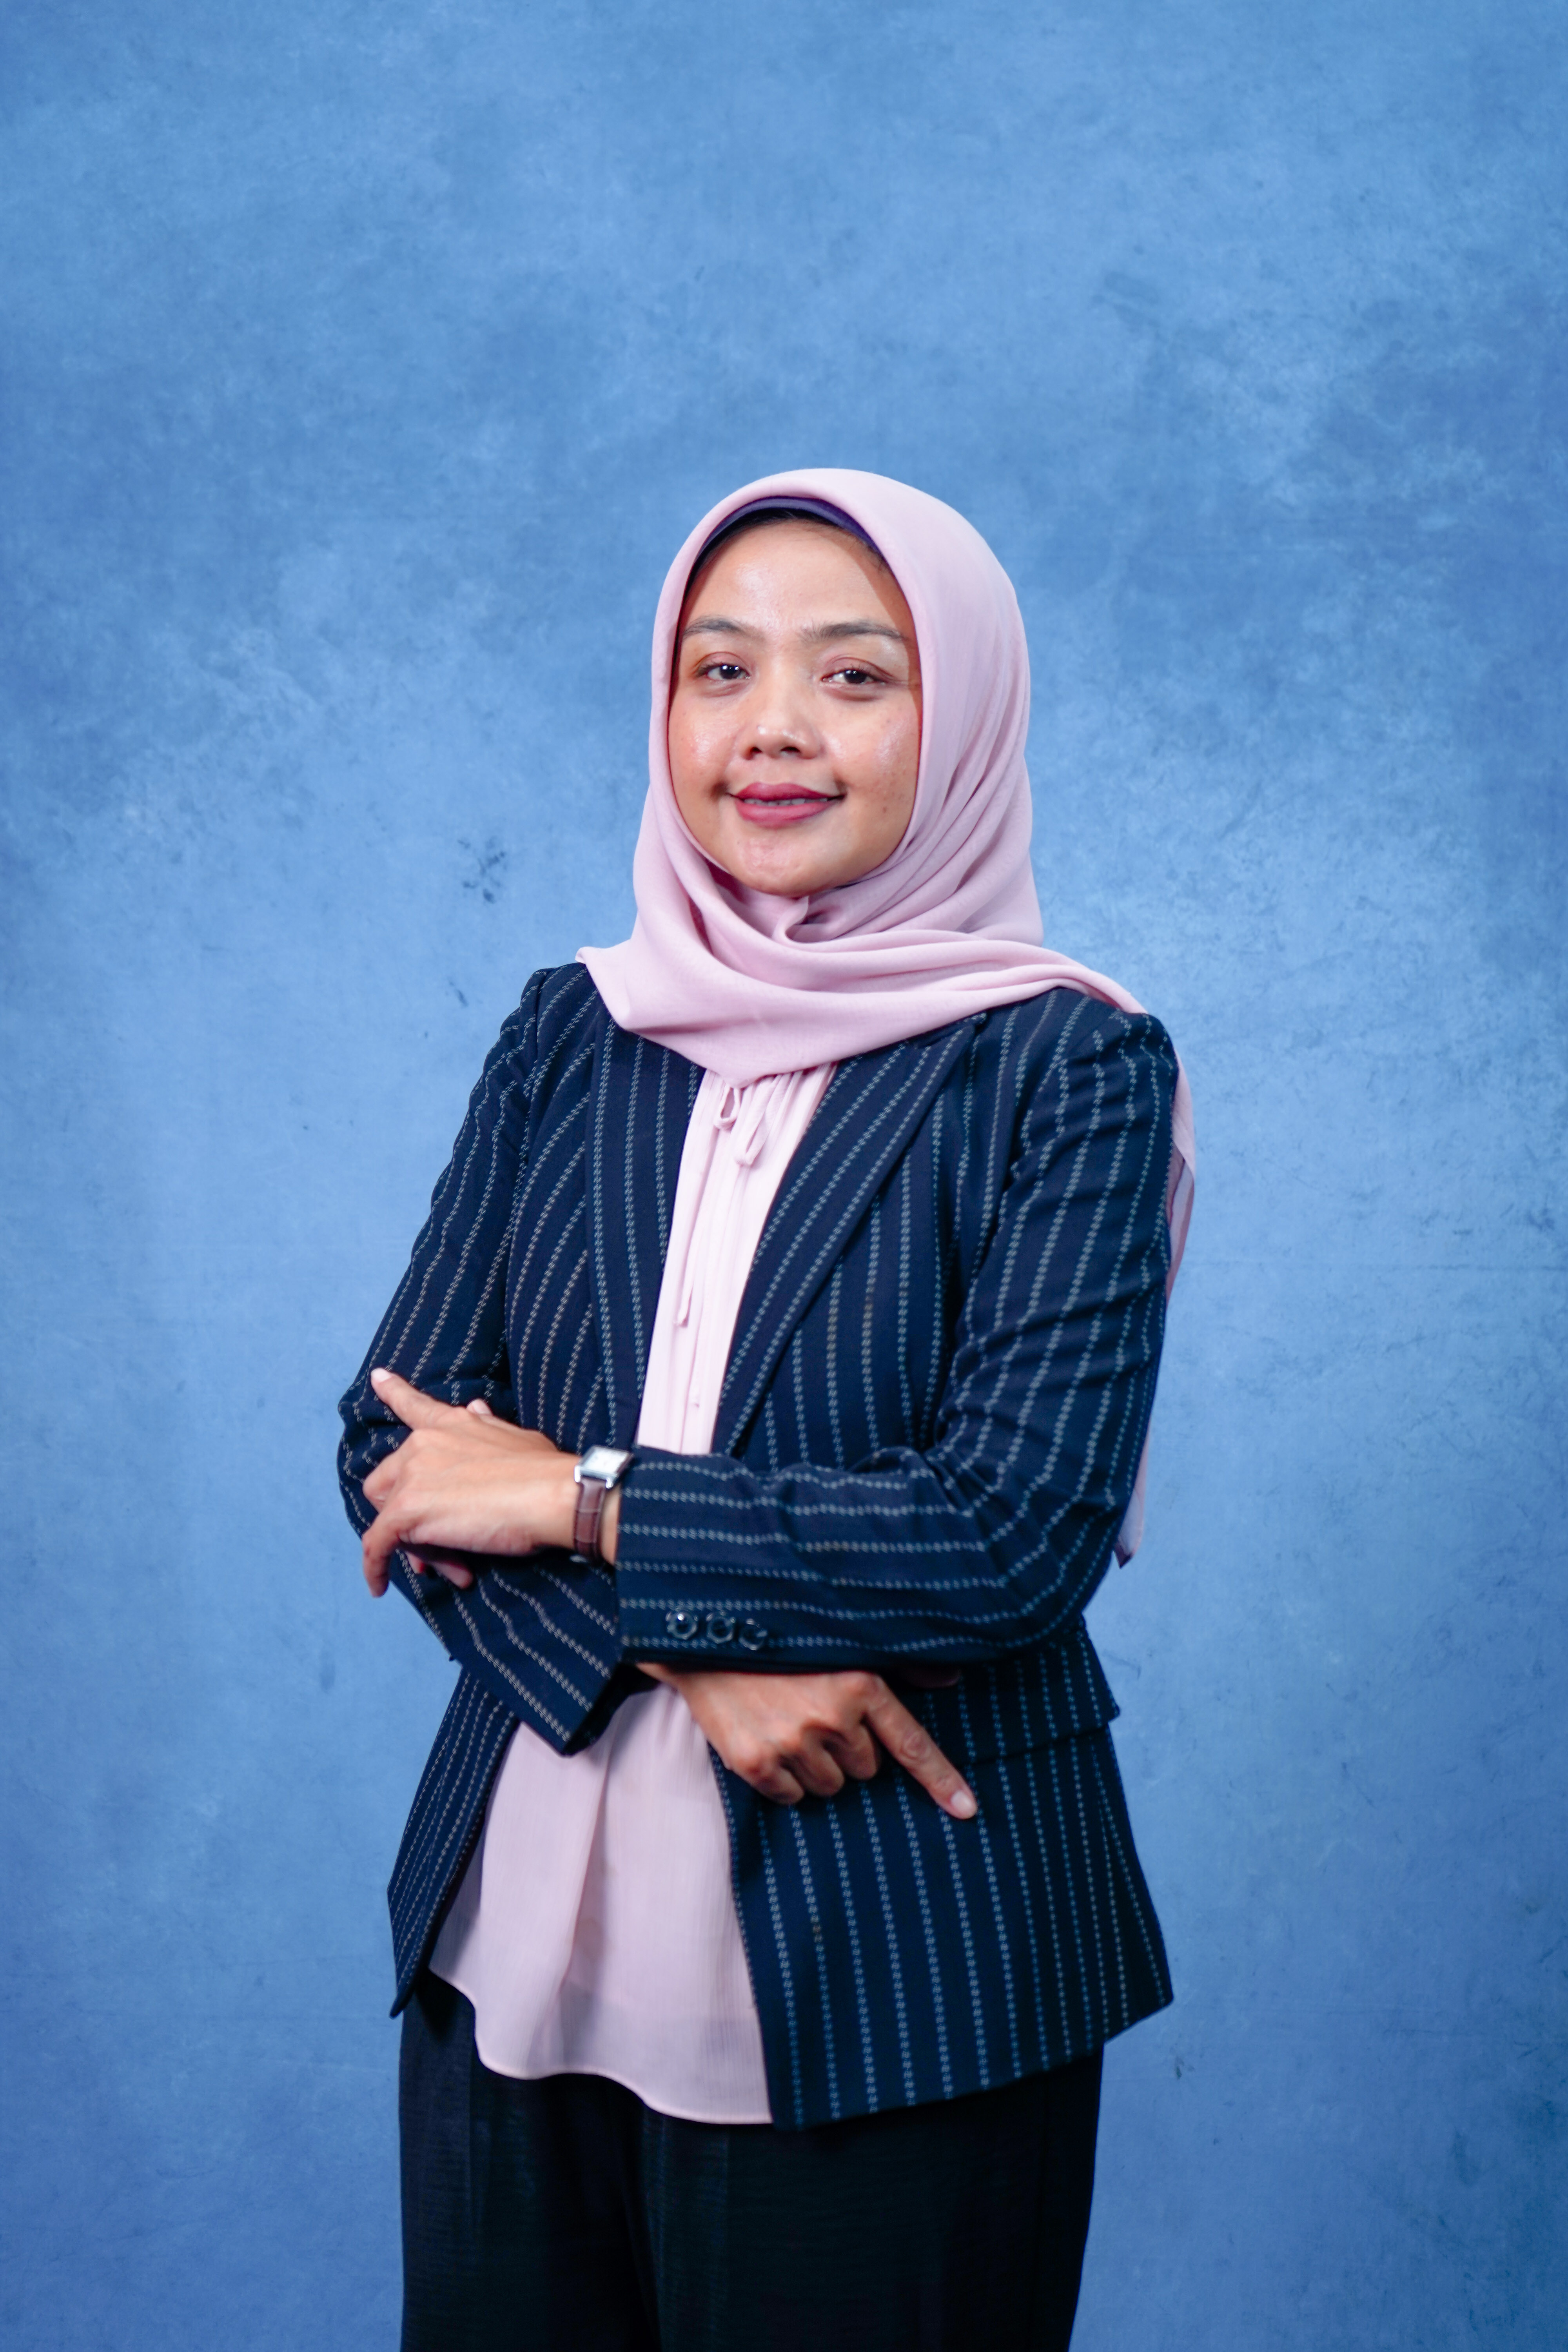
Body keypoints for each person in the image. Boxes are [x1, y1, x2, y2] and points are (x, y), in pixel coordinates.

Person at [337, 468, 1195, 2352]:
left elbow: (1008, 1537)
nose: (774, 730)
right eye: (718, 670)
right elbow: (400, 1448)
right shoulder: (577, 1023)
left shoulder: (1070, 1064)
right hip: (515, 1947)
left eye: (855, 677)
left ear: (958, 720)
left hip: (906, 1960)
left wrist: (578, 1500)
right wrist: (701, 1651)